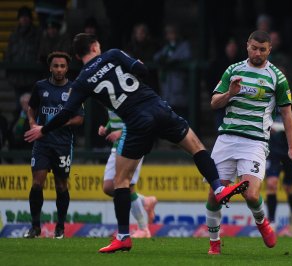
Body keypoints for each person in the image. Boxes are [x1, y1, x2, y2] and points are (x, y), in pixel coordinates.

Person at [24, 33, 249, 253]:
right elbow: (142, 70)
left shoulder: (82, 80)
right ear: (95, 46)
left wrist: (43, 129)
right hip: (157, 106)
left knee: (120, 181)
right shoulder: (112, 54)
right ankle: (218, 187)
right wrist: (137, 65)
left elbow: (66, 113)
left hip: (136, 121)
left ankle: (123, 237)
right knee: (197, 147)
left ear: (78, 55)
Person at [205, 30, 292, 255]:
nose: (257, 53)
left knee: (250, 194)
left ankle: (262, 222)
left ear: (269, 50)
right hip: (227, 138)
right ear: (247, 46)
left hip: (255, 141)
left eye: (262, 49)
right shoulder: (233, 70)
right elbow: (214, 103)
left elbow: (287, 115)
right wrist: (230, 93)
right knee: (213, 195)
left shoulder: (276, 76)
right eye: (253, 48)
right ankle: (214, 243)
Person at [23, 51, 84, 239]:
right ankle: (35, 227)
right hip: (42, 143)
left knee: (61, 186)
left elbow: (80, 118)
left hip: (63, 144)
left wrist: (58, 123)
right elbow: (31, 108)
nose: (59, 69)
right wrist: (33, 123)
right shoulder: (40, 87)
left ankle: (60, 227)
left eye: (62, 66)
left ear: (67, 68)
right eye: (56, 66)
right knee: (37, 183)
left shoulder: (74, 89)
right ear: (50, 67)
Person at [98, 110, 157, 238]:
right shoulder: (109, 95)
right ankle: (144, 201)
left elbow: (139, 118)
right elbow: (116, 118)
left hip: (132, 143)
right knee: (108, 187)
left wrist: (121, 132)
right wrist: (107, 128)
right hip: (117, 146)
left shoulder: (126, 94)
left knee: (127, 185)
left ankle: (143, 229)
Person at [265, 89, 292, 235]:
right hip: (272, 150)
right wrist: (268, 127)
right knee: (271, 184)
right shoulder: (267, 99)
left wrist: (285, 127)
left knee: (289, 187)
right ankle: (272, 223)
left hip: (291, 149)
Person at [5, 6, 41, 119]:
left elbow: (40, 54)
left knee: (32, 108)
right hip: (16, 79)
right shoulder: (14, 36)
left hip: (32, 79)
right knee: (17, 107)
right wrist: (9, 74)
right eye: (22, 17)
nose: (24, 19)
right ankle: (17, 133)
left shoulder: (37, 35)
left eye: (26, 17)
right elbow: (8, 55)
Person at [153, 24, 192, 119]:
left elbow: (187, 56)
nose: (171, 36)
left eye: (172, 33)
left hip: (179, 84)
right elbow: (156, 57)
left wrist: (172, 60)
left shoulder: (183, 45)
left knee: (181, 115)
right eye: (169, 33)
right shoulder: (167, 47)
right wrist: (163, 59)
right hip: (167, 87)